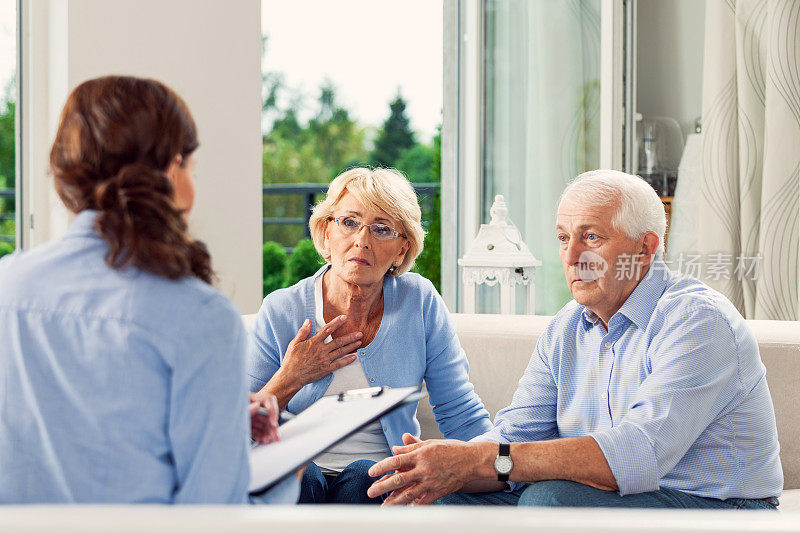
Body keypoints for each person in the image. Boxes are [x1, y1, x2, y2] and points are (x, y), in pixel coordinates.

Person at [367, 169, 783, 510]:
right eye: (564, 237)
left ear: (645, 249)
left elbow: (638, 455)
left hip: (715, 505)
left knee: (549, 501)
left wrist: (479, 460)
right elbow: (516, 437)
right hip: (600, 497)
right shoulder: (566, 327)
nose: (570, 257)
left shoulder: (696, 321)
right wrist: (437, 468)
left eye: (592, 237)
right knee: (436, 496)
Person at [0, 76, 295, 504]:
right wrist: (290, 469)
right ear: (173, 170)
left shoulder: (7, 285)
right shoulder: (201, 315)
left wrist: (220, 420)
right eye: (192, 168)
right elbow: (217, 518)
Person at [248, 167, 491, 504]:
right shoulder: (281, 309)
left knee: (367, 476)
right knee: (302, 476)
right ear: (326, 231)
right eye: (349, 222)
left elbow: (459, 413)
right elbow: (237, 429)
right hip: (299, 473)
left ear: (402, 250)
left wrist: (502, 464)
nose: (362, 240)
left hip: (377, 478)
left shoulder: (419, 302)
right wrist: (291, 377)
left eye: (381, 229)